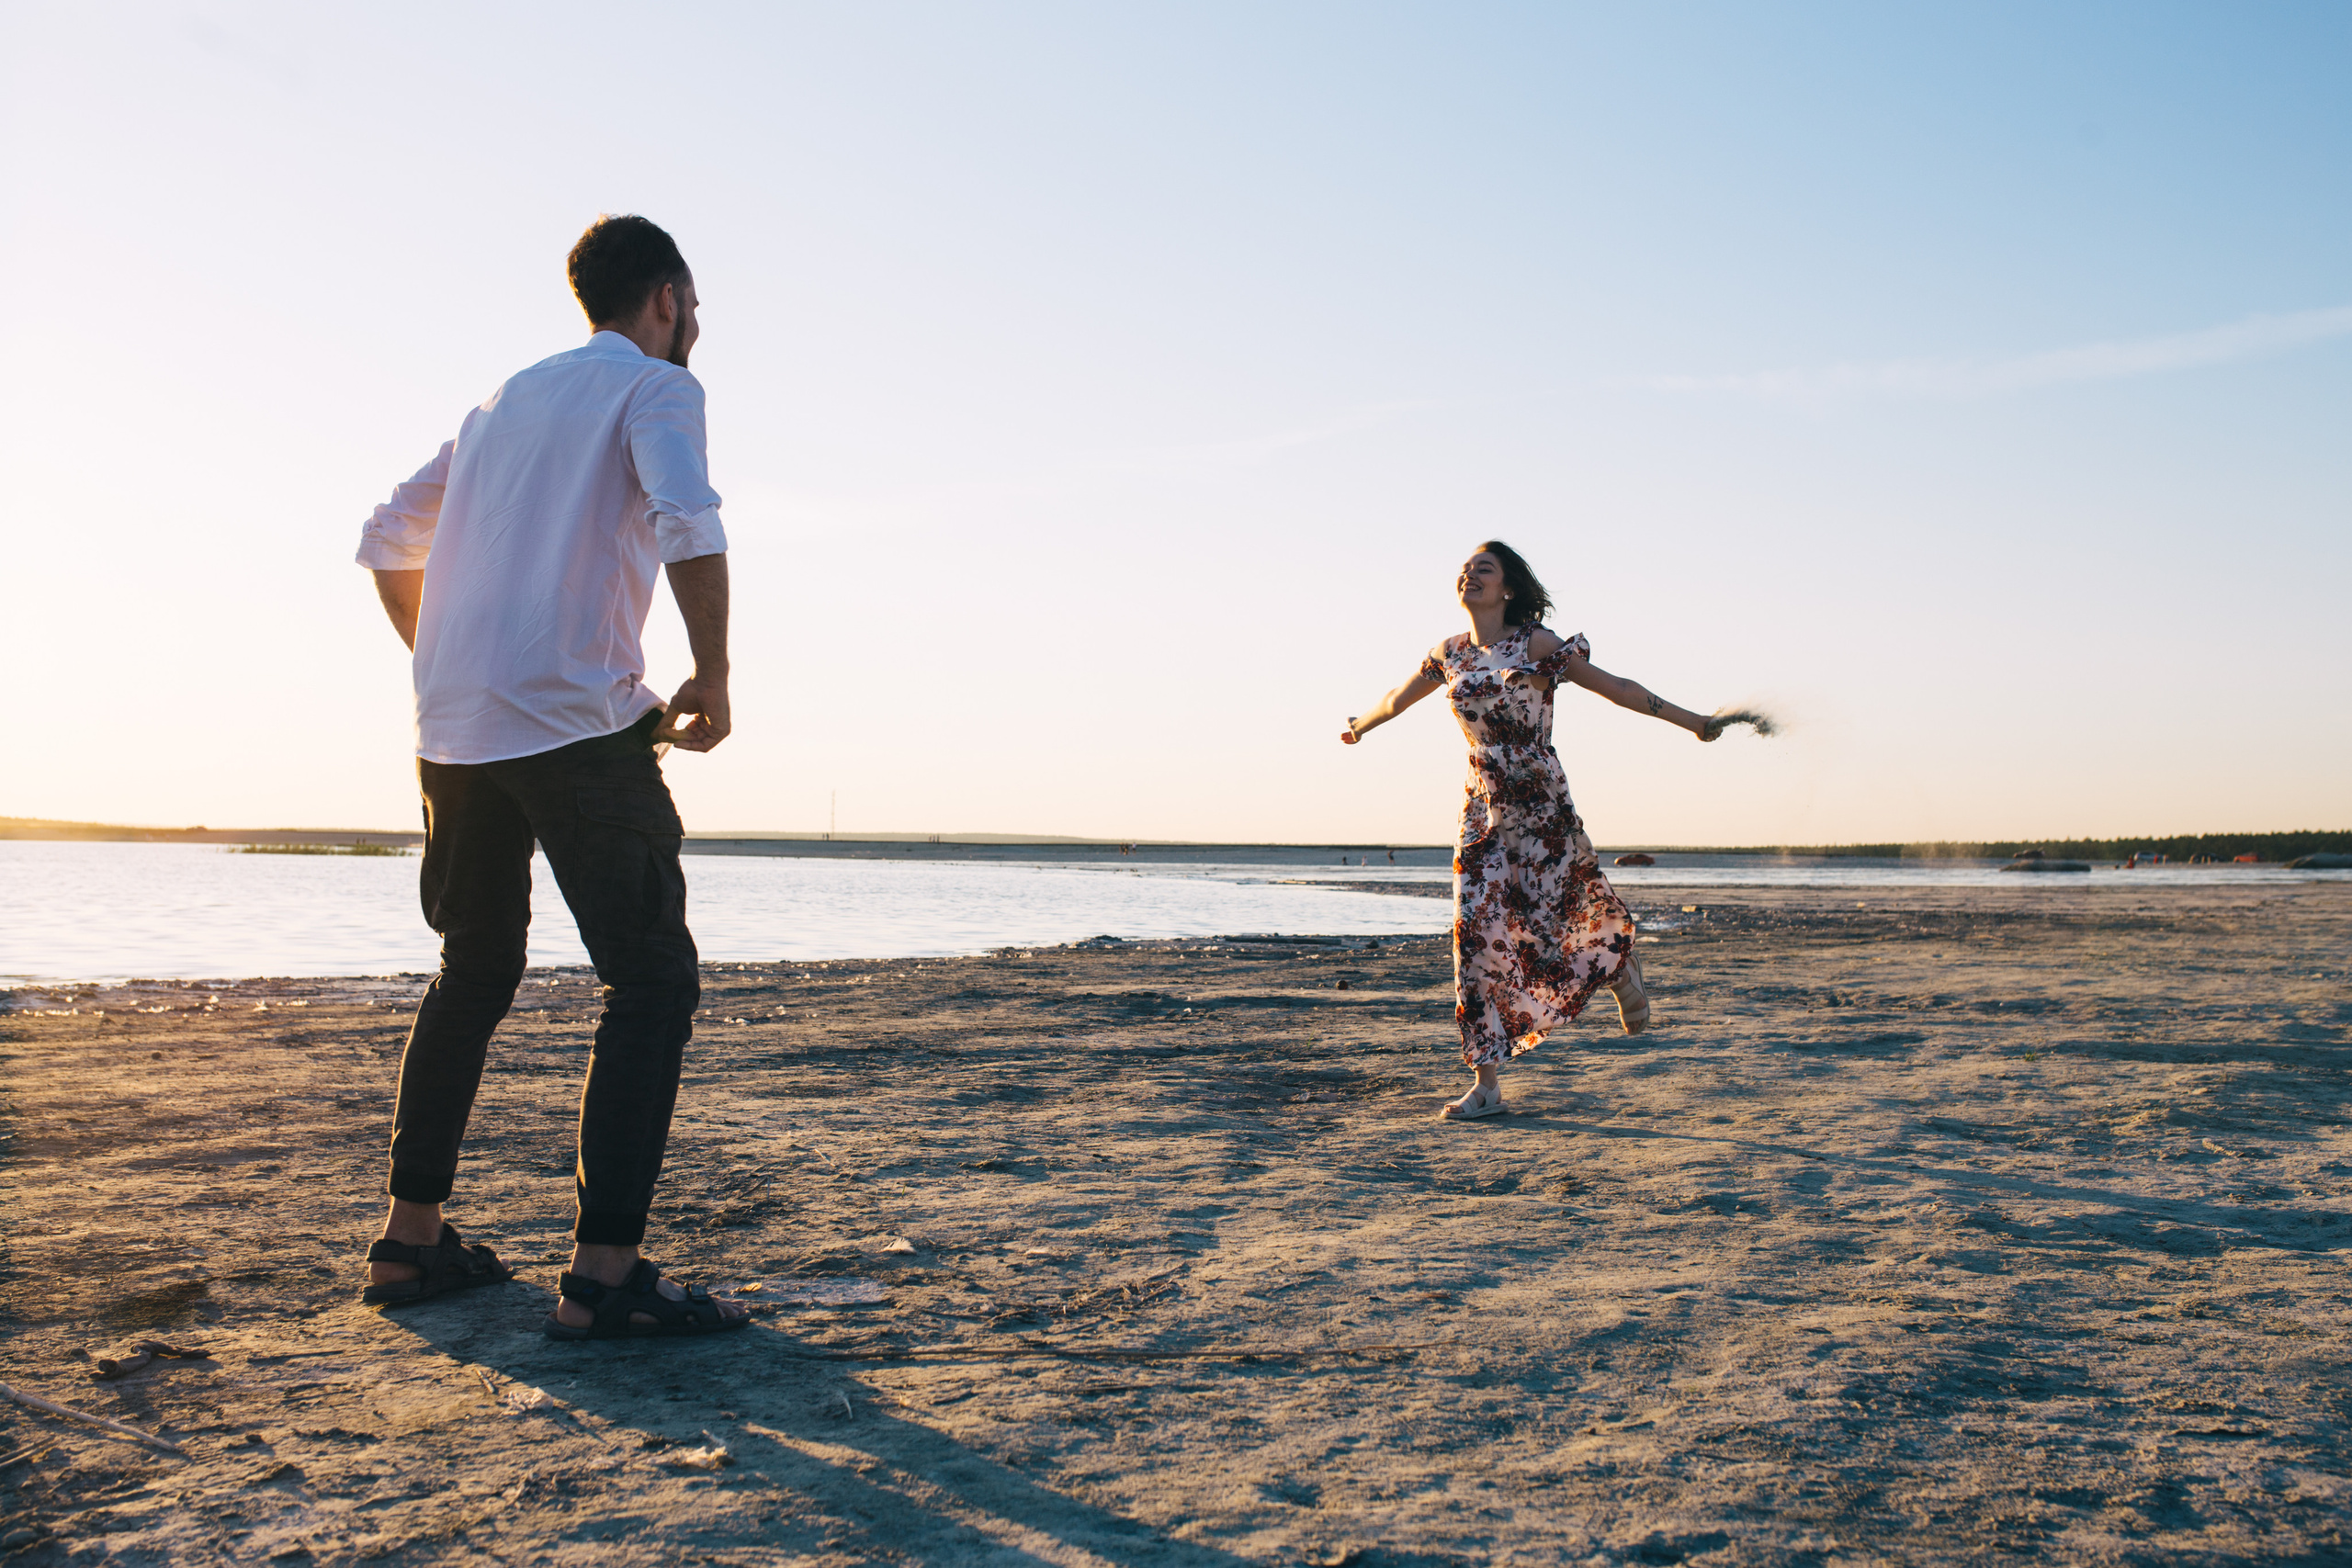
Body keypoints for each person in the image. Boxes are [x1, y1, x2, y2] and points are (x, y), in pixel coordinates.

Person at [351, 214, 748, 1337]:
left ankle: (410, 1244)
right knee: (650, 981)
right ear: (665, 300)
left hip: (456, 729)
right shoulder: (657, 388)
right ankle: (605, 1275)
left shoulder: (502, 401)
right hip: (576, 724)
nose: (698, 326)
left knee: (472, 971)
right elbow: (687, 517)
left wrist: (456, 660)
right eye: (697, 306)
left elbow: (387, 537)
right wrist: (711, 669)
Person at [1341, 542, 1721, 1120]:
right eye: (1465, 569)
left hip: (1540, 804)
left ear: (1508, 588)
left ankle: (1618, 964)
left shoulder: (1536, 645)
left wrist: (1694, 722)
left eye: (1484, 569)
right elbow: (1396, 700)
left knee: (1550, 923)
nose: (1470, 575)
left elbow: (1615, 686)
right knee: (1476, 935)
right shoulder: (1448, 654)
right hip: (1483, 806)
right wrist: (1360, 727)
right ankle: (1486, 1083)